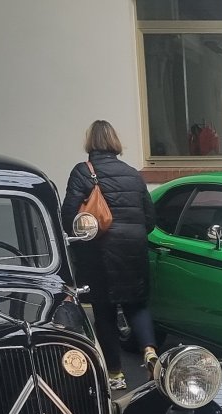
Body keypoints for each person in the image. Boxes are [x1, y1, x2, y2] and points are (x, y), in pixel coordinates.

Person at [59, 120, 161, 390]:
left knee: (104, 311)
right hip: (134, 249)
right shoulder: (132, 174)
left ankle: (116, 374)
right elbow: (150, 219)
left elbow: (68, 216)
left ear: (90, 142)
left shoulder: (83, 171)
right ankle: (150, 351)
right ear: (114, 141)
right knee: (137, 304)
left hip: (100, 252)